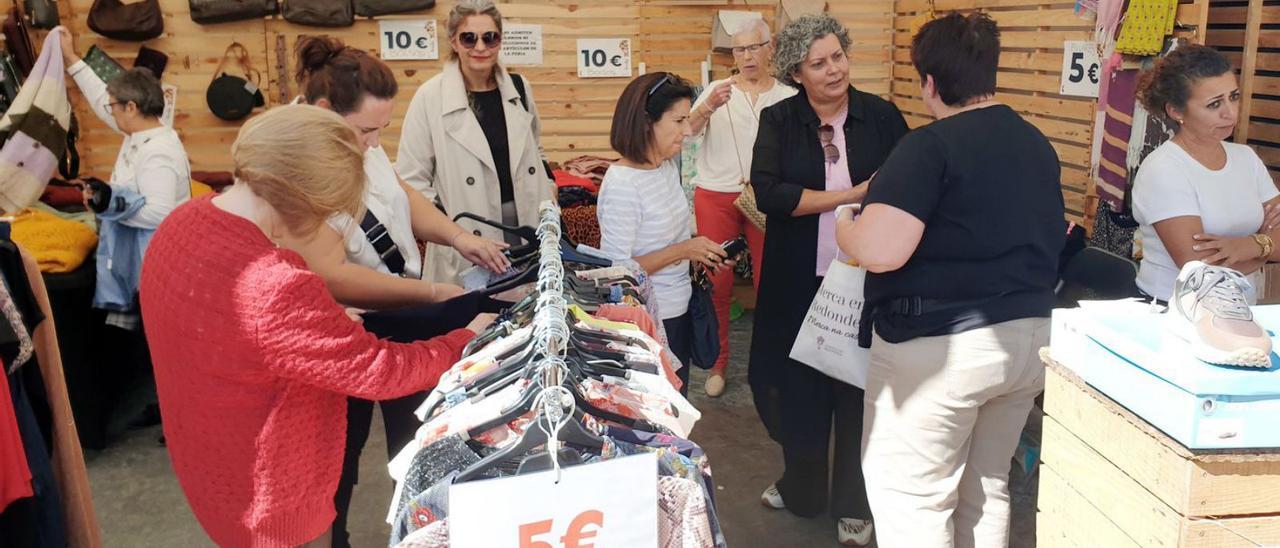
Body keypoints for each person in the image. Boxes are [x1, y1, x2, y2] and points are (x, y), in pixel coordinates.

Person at [139, 104, 495, 547]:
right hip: (273, 497)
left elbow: (216, 332)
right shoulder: (275, 283)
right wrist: (467, 340)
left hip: (210, 464)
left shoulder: (183, 223)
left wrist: (312, 327)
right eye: (330, 212)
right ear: (302, 199)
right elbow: (381, 371)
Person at [835, 13, 1064, 547]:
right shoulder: (1036, 143)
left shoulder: (929, 146)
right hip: (1029, 343)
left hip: (942, 350)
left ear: (929, 83)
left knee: (913, 499)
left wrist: (848, 225)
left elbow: (881, 250)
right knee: (985, 488)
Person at [288, 36, 509, 548]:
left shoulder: (355, 139)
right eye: (367, 129)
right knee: (337, 453)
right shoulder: (297, 162)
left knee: (417, 441)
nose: (373, 140)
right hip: (350, 323)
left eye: (380, 130)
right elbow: (330, 273)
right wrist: (431, 293)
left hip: (403, 308)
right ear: (323, 111)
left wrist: (458, 236)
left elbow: (399, 193)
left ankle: (422, 535)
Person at [748, 14, 908, 546]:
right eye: (818, 63)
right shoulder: (778, 120)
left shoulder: (881, 117)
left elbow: (907, 188)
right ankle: (803, 486)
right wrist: (850, 195)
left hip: (867, 282)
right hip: (798, 281)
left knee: (856, 395)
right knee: (796, 392)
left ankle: (854, 502)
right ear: (798, 74)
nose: (833, 69)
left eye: (837, 55)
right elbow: (770, 193)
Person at [57, 26, 191, 438]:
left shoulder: (158, 153)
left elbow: (161, 212)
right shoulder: (142, 133)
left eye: (116, 107)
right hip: (149, 261)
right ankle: (171, 408)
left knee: (170, 346)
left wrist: (109, 205)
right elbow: (102, 101)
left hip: (163, 263)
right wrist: (71, 60)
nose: (110, 112)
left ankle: (183, 420)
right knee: (158, 345)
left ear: (132, 108)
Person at [398, 0, 555, 285]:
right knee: (475, 323)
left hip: (527, 227)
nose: (480, 47)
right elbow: (412, 180)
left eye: (489, 38)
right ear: (454, 42)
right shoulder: (430, 97)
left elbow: (536, 149)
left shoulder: (520, 87)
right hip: (467, 239)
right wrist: (452, 232)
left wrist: (550, 189)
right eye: (469, 38)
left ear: (500, 40)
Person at [597, 72, 730, 396]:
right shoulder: (622, 184)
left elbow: (672, 240)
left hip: (678, 309)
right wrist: (684, 251)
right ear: (647, 122)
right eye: (679, 120)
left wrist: (700, 256)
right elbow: (616, 273)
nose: (687, 131)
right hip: (647, 323)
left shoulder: (665, 168)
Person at [689, 17, 796, 397]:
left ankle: (771, 364)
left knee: (773, 282)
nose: (747, 56)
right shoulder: (718, 90)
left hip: (766, 197)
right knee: (717, 282)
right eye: (739, 49)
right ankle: (717, 364)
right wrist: (707, 108)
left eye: (754, 47)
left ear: (770, 47)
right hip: (716, 193)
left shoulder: (786, 96)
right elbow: (687, 130)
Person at [1132, 44, 1280, 302]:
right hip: (1174, 312)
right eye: (1214, 104)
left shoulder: (1246, 158)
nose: (1229, 113)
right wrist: (1268, 244)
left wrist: (1249, 245)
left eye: (1233, 97)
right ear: (1176, 111)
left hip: (1242, 309)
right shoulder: (1164, 169)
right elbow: (1199, 270)